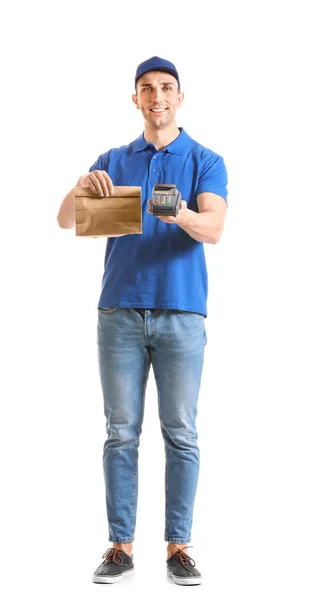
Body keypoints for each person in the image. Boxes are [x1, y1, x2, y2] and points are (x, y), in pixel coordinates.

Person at [57, 55, 228, 586]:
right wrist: (81, 186)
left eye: (167, 88)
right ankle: (120, 546)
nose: (158, 97)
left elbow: (214, 228)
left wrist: (178, 214)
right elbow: (66, 220)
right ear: (136, 99)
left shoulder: (205, 158)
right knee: (120, 434)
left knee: (181, 433)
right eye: (147, 89)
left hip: (181, 313)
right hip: (120, 312)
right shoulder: (113, 158)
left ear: (180, 97)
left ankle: (179, 547)